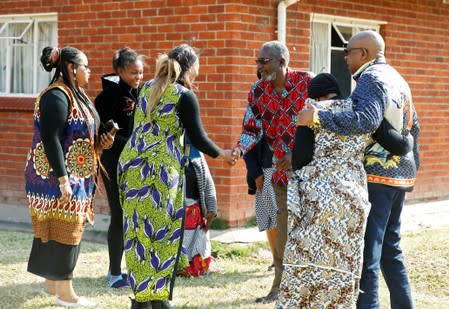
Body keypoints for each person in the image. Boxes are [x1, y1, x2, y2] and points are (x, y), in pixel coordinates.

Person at [297, 30, 420, 309]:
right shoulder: (398, 78)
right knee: (391, 249)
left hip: (378, 177)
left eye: (348, 51)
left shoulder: (371, 78)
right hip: (400, 175)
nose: (345, 57)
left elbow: (365, 120)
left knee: (368, 255)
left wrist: (317, 116)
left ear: (364, 53)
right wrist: (411, 170)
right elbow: (415, 128)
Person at [117, 44, 234, 309]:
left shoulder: (146, 88)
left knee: (138, 236)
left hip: (133, 168)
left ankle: (142, 300)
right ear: (190, 67)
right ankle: (154, 300)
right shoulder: (183, 95)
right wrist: (223, 154)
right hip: (160, 174)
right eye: (198, 69)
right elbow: (198, 138)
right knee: (161, 236)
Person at [24, 46, 113, 307]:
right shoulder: (56, 97)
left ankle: (51, 285)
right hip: (55, 178)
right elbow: (51, 139)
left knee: (58, 230)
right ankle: (65, 293)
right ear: (71, 68)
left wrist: (101, 142)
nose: (89, 71)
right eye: (85, 66)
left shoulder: (77, 96)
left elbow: (78, 136)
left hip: (75, 175)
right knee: (67, 231)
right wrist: (63, 180)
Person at [232, 40, 313, 303]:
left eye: (263, 61)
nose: (258, 65)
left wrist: (297, 153)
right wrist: (238, 150)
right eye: (257, 60)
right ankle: (279, 287)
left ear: (281, 62)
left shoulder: (307, 83)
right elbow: (251, 128)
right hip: (278, 171)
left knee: (309, 229)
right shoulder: (257, 91)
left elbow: (323, 125)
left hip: (310, 171)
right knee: (280, 229)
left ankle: (310, 285)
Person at [95, 47, 144, 288]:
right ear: (121, 70)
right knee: (119, 215)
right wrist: (138, 145)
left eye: (142, 72)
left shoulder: (138, 92)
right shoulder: (108, 96)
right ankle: (114, 273)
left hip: (136, 160)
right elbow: (105, 134)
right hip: (115, 162)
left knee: (134, 215)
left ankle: (132, 268)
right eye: (134, 72)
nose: (139, 77)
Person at [178, 134, 217, 277]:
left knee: (196, 253)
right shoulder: (165, 148)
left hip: (194, 215)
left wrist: (212, 208)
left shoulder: (194, 148)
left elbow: (208, 181)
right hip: (174, 215)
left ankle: (192, 266)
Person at [243, 135, 277, 271]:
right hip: (265, 170)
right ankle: (276, 259)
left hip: (287, 168)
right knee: (269, 219)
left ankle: (285, 259)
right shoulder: (255, 114)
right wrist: (256, 173)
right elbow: (247, 144)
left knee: (282, 218)